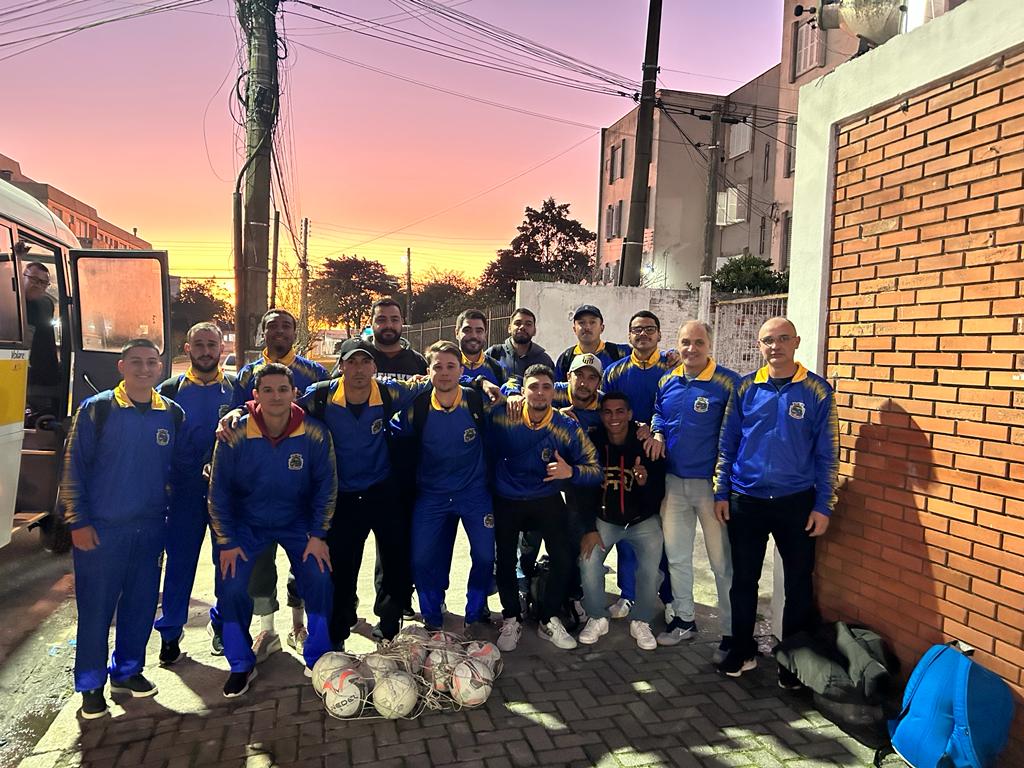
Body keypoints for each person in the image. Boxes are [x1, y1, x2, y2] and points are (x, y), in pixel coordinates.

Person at [60, 339, 185, 719]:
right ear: (121, 366)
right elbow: (73, 470)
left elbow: (177, 471)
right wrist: (77, 521)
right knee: (96, 611)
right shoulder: (97, 410)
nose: (144, 369)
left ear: (161, 369)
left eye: (151, 363)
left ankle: (128, 671)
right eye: (136, 362)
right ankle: (90, 685)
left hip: (149, 529)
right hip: (101, 531)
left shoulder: (171, 414)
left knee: (141, 605)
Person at [713, 317, 838, 684]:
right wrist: (722, 491)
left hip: (796, 502)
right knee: (744, 581)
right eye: (769, 340)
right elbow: (728, 442)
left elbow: (828, 453)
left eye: (783, 339)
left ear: (796, 342)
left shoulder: (817, 391)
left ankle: (793, 664)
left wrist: (823, 505)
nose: (776, 346)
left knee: (799, 583)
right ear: (759, 344)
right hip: (746, 500)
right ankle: (742, 649)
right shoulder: (746, 388)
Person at [208, 363, 337, 697]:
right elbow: (218, 492)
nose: (276, 396)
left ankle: (318, 655)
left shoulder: (314, 432)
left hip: (297, 521)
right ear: (255, 395)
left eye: (283, 390)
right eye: (268, 390)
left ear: (295, 393)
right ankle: (240, 664)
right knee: (232, 584)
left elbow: (326, 486)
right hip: (247, 523)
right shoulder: (233, 432)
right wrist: (227, 541)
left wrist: (318, 535)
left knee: (320, 576)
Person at [298, 339, 428, 649]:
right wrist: (239, 414)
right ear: (341, 365)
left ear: (374, 366)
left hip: (382, 489)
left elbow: (432, 383)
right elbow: (283, 409)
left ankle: (388, 627)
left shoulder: (386, 392)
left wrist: (480, 383)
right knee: (342, 568)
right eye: (351, 362)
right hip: (342, 495)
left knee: (395, 560)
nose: (358, 369)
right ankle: (339, 633)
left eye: (364, 362)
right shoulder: (322, 395)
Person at [232, 308, 330, 660]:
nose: (279, 332)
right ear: (262, 332)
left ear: (295, 331)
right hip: (257, 485)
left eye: (286, 326)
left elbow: (322, 425)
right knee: (260, 563)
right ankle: (266, 632)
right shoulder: (247, 373)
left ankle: (299, 625)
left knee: (304, 562)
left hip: (299, 482)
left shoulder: (314, 372)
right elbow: (233, 418)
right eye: (271, 326)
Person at [489, 364, 601, 652]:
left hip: (546, 499)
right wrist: (497, 388)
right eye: (533, 387)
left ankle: (547, 618)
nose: (540, 393)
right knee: (503, 560)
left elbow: (595, 469)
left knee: (563, 558)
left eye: (546, 387)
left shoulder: (566, 426)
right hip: (507, 499)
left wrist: (570, 473)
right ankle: (511, 616)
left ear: (555, 391)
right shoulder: (503, 416)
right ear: (523, 391)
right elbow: (470, 387)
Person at [646, 320, 739, 655]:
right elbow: (659, 414)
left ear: (709, 345)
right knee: (677, 558)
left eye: (698, 342)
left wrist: (723, 488)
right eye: (685, 342)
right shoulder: (667, 381)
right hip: (673, 484)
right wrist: (657, 433)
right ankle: (684, 620)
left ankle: (731, 633)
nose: (691, 349)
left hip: (711, 488)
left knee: (721, 564)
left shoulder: (729, 384)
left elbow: (735, 438)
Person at [394, 341, 495, 634]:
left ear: (461, 370)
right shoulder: (419, 406)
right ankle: (432, 615)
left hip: (474, 493)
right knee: (422, 559)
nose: (445, 372)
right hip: (432, 495)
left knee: (486, 556)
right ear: (429, 372)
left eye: (451, 366)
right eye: (438, 367)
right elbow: (393, 433)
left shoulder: (476, 401)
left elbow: (508, 405)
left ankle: (474, 614)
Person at [153, 322, 236, 664]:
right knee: (179, 565)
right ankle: (170, 634)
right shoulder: (169, 390)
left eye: (211, 345)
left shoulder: (236, 389)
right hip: (184, 493)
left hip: (225, 494)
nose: (205, 351)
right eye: (198, 344)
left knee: (227, 565)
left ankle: (223, 628)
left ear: (221, 349)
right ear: (187, 348)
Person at [600, 310, 675, 619]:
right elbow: (604, 410)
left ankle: (670, 598)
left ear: (658, 334)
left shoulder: (672, 369)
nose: (643, 334)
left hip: (661, 459)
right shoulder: (615, 372)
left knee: (664, 534)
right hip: (626, 462)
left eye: (649, 329)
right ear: (628, 336)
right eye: (637, 330)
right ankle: (628, 594)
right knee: (627, 530)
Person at [578, 393, 666, 651]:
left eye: (620, 412)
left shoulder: (646, 445)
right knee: (588, 560)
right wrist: (590, 528)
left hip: (642, 521)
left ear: (630, 414)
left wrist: (643, 483)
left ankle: (641, 620)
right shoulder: (592, 443)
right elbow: (582, 490)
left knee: (650, 571)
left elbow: (658, 494)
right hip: (606, 520)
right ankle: (597, 616)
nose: (614, 417)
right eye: (608, 412)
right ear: (601, 415)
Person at [20, 255, 61, 417]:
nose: (38, 286)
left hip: (43, 372)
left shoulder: (46, 304)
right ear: (22, 276)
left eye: (43, 283)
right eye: (34, 280)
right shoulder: (11, 302)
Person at [553, 304, 627, 382]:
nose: (587, 327)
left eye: (592, 322)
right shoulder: (566, 359)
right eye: (581, 322)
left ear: (602, 328)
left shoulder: (619, 353)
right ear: (574, 329)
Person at [485, 308, 555, 382]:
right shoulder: (494, 353)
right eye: (518, 323)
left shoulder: (544, 360)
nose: (522, 327)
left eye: (528, 324)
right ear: (509, 328)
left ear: (534, 331)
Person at [368, 298, 428, 380]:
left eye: (394, 320)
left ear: (402, 322)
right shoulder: (358, 358)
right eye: (381, 320)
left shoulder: (418, 362)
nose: (389, 325)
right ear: (371, 322)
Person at [455, 309, 505, 385]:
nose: (473, 336)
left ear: (485, 334)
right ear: (457, 333)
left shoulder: (497, 368)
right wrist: (480, 383)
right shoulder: (445, 364)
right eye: (467, 330)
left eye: (479, 331)